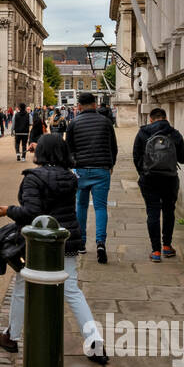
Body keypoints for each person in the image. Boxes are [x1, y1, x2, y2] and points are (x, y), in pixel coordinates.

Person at [0, 134, 107, 364]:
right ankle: (95, 342)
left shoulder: (33, 178)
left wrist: (9, 211)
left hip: (39, 243)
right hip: (67, 239)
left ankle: (11, 337)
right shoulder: (70, 177)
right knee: (72, 290)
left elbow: (32, 211)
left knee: (22, 286)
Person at [68, 91, 118, 264]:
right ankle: (100, 243)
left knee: (81, 206)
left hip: (81, 170)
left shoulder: (73, 123)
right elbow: (114, 147)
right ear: (95, 104)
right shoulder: (106, 122)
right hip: (101, 169)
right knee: (100, 207)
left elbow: (69, 149)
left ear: (79, 106)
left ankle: (81, 243)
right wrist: (111, 165)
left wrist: (74, 166)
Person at [133, 107, 184, 261]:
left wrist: (143, 173)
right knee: (169, 211)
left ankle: (156, 251)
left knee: (153, 212)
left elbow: (136, 156)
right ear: (165, 117)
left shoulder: (143, 133)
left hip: (149, 179)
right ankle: (167, 246)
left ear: (150, 119)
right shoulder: (174, 133)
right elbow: (183, 158)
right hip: (170, 179)